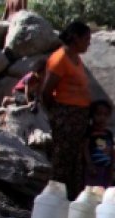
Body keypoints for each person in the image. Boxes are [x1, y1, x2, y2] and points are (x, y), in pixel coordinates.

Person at [42, 21, 92, 200]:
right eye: (86, 39)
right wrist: (57, 115)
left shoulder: (76, 59)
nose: (89, 43)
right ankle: (54, 201)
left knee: (75, 162)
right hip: (65, 117)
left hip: (78, 118)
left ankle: (70, 202)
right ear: (75, 38)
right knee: (62, 162)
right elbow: (46, 92)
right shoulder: (60, 59)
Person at [84, 100, 115, 187]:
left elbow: (112, 152)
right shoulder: (90, 131)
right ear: (92, 115)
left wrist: (112, 168)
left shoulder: (108, 133)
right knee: (93, 193)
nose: (102, 117)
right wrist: (89, 164)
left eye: (105, 115)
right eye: (98, 114)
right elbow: (85, 148)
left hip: (106, 169)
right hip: (94, 168)